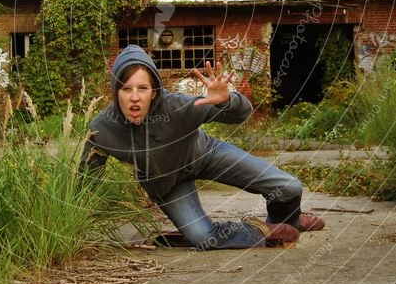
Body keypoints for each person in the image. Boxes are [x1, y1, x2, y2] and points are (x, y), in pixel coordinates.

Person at [80, 45, 325, 250]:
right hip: (169, 185)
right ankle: (263, 230)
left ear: (154, 93)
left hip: (206, 155)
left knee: (289, 187)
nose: (134, 97)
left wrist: (228, 100)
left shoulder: (176, 107)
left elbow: (241, 115)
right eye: (126, 89)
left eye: (142, 88)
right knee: (202, 237)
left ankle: (288, 221)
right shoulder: (103, 130)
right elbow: (85, 183)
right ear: (116, 92)